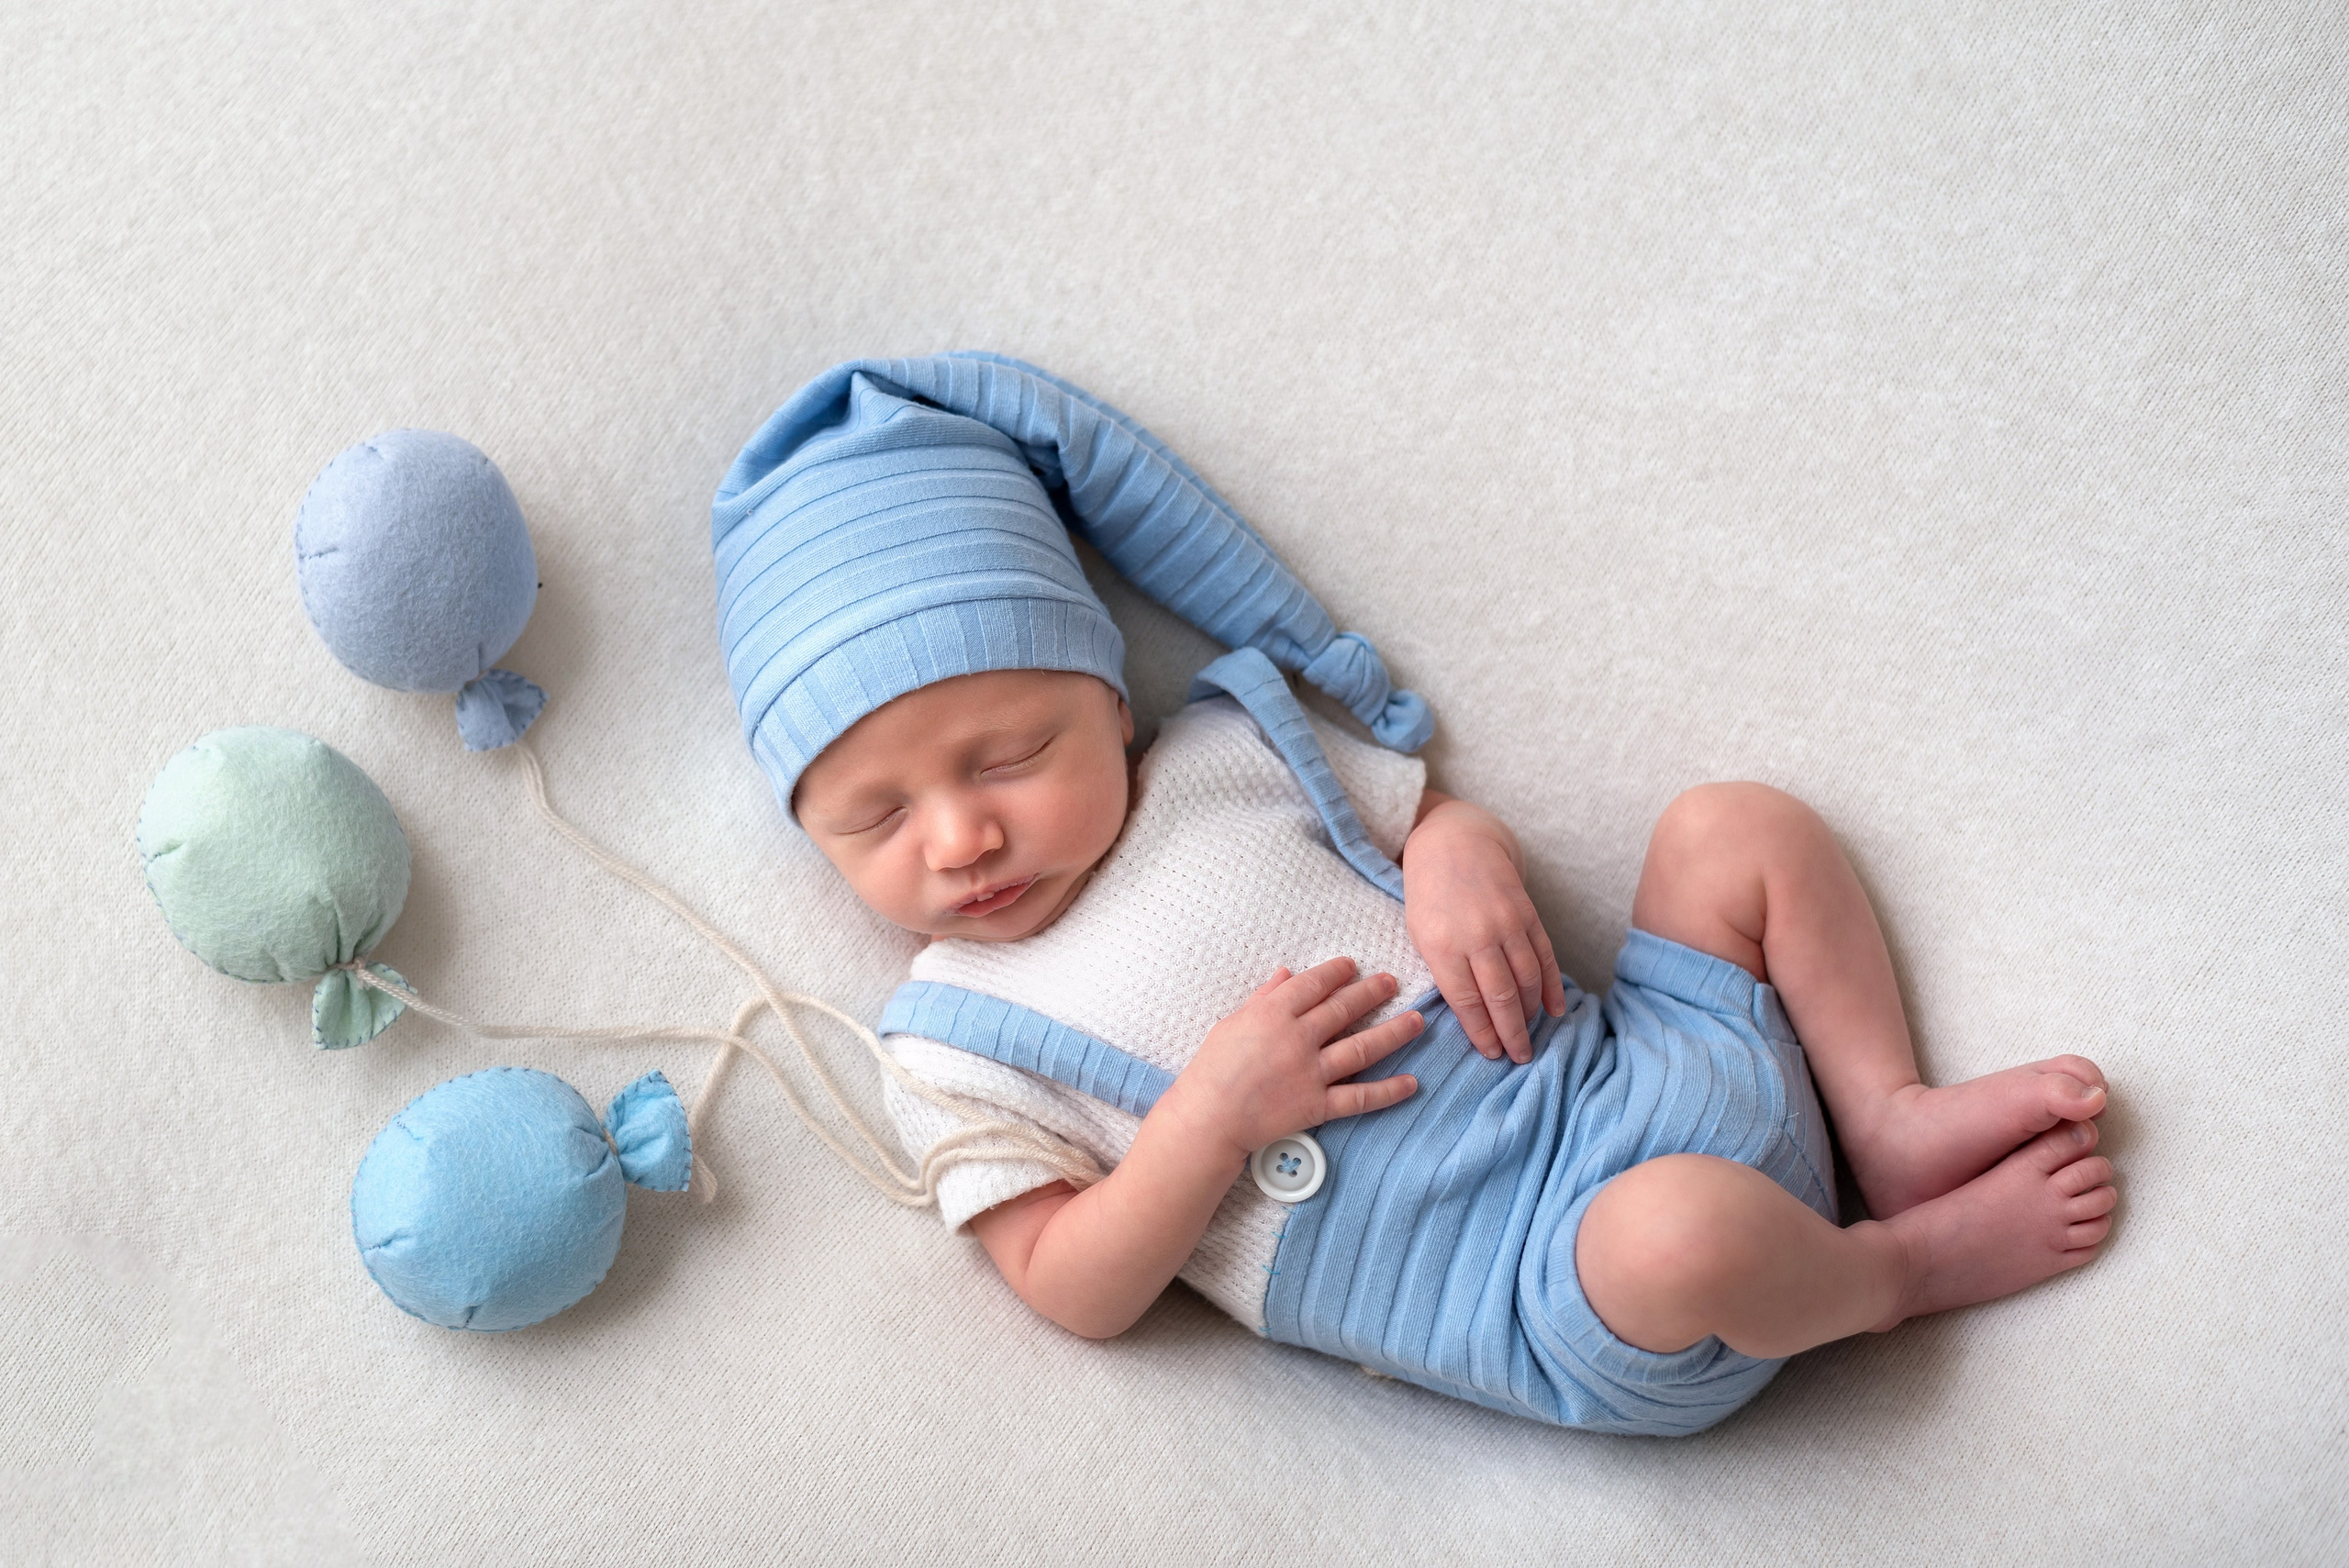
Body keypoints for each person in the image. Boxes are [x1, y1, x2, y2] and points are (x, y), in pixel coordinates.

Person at [712, 354, 2116, 1434]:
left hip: (1638, 1061)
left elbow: (1426, 810)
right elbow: (1072, 1288)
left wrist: (1456, 855)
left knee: (1730, 829)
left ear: (1107, 700)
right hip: (1576, 1286)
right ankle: (1896, 1275)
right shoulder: (952, 1040)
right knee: (1680, 1230)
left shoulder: (1233, 752)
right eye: (877, 817)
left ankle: (1883, 1117)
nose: (960, 835)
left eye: (1012, 755)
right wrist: (1210, 1123)